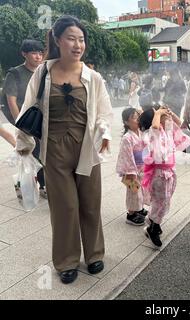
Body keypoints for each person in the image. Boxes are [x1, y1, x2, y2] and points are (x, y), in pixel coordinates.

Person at [15, 15, 113, 284]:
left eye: (81, 39)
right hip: (55, 151)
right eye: (71, 38)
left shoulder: (93, 77)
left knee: (91, 205)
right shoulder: (43, 72)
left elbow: (103, 112)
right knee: (64, 208)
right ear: (58, 40)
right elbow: (27, 109)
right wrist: (23, 147)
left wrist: (104, 132)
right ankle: (66, 261)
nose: (77, 44)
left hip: (87, 150)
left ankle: (94, 254)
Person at [138, 106, 190, 247]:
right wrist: (158, 113)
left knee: (164, 200)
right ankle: (152, 228)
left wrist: (171, 114)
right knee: (161, 201)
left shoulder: (166, 131)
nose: (166, 118)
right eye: (162, 116)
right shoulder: (152, 133)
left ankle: (153, 221)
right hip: (159, 174)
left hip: (169, 172)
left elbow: (181, 124)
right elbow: (155, 126)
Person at [2, 39, 47, 198]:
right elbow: (11, 100)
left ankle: (40, 185)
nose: (38, 56)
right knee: (32, 150)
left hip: (38, 117)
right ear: (24, 54)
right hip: (23, 118)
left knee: (40, 151)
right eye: (34, 53)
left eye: (40, 53)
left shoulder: (42, 72)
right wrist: (21, 124)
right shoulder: (15, 73)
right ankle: (32, 186)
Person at [116, 108, 148, 226]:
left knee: (141, 191)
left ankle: (138, 208)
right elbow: (127, 155)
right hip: (132, 170)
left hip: (142, 167)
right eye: (134, 118)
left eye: (137, 116)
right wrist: (131, 171)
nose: (137, 120)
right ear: (126, 122)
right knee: (133, 193)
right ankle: (131, 214)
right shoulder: (127, 138)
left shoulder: (141, 132)